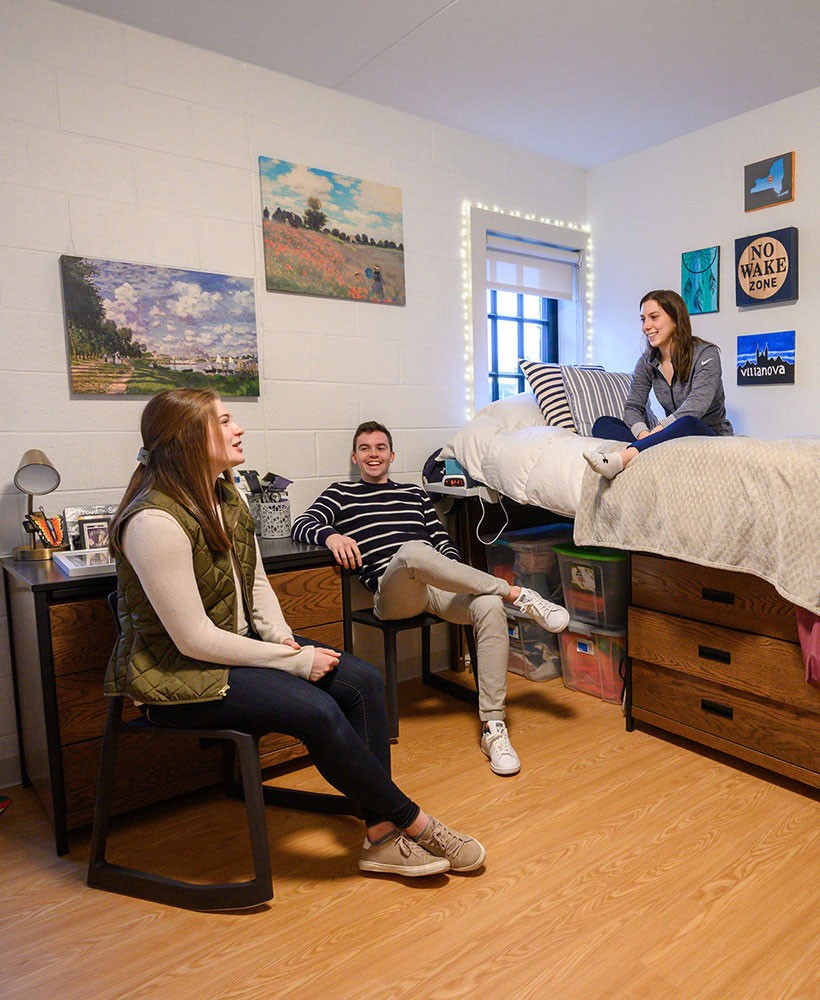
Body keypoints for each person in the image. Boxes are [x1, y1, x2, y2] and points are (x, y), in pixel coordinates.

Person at [105, 389, 485, 879]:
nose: (238, 428)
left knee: (364, 681)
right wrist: (293, 663)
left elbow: (256, 582)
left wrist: (284, 639)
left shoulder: (226, 494)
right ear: (189, 439)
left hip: (239, 651)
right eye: (224, 421)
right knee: (319, 709)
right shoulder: (153, 521)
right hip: (182, 672)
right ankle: (414, 824)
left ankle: (379, 835)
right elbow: (193, 640)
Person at [292, 421, 570, 778]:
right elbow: (302, 523)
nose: (373, 455)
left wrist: (456, 577)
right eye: (365, 448)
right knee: (412, 552)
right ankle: (516, 593)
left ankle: (493, 728)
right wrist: (331, 537)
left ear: (391, 455)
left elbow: (443, 544)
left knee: (486, 605)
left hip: (438, 588)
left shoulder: (414, 495)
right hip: (394, 593)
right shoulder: (340, 494)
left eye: (380, 448)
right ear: (354, 456)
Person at [583, 289, 733, 479]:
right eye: (643, 319)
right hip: (669, 438)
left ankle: (622, 458)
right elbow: (632, 407)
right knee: (603, 424)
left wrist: (659, 432)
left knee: (687, 421)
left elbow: (696, 406)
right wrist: (644, 435)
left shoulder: (706, 354)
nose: (646, 326)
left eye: (654, 317)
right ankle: (649, 447)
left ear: (676, 320)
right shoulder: (647, 362)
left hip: (706, 434)